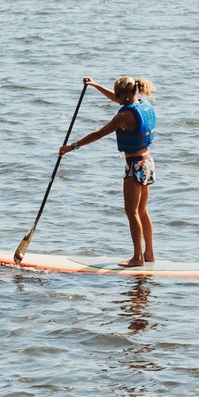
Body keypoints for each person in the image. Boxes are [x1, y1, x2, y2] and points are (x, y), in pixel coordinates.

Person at [60, 76, 157, 266]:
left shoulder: (124, 116)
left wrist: (72, 147)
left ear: (128, 95)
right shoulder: (143, 104)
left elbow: (98, 134)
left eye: (119, 97)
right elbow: (116, 98)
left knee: (132, 212)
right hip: (148, 162)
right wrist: (95, 85)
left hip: (135, 165)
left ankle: (137, 258)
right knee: (142, 210)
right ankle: (149, 254)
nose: (116, 100)